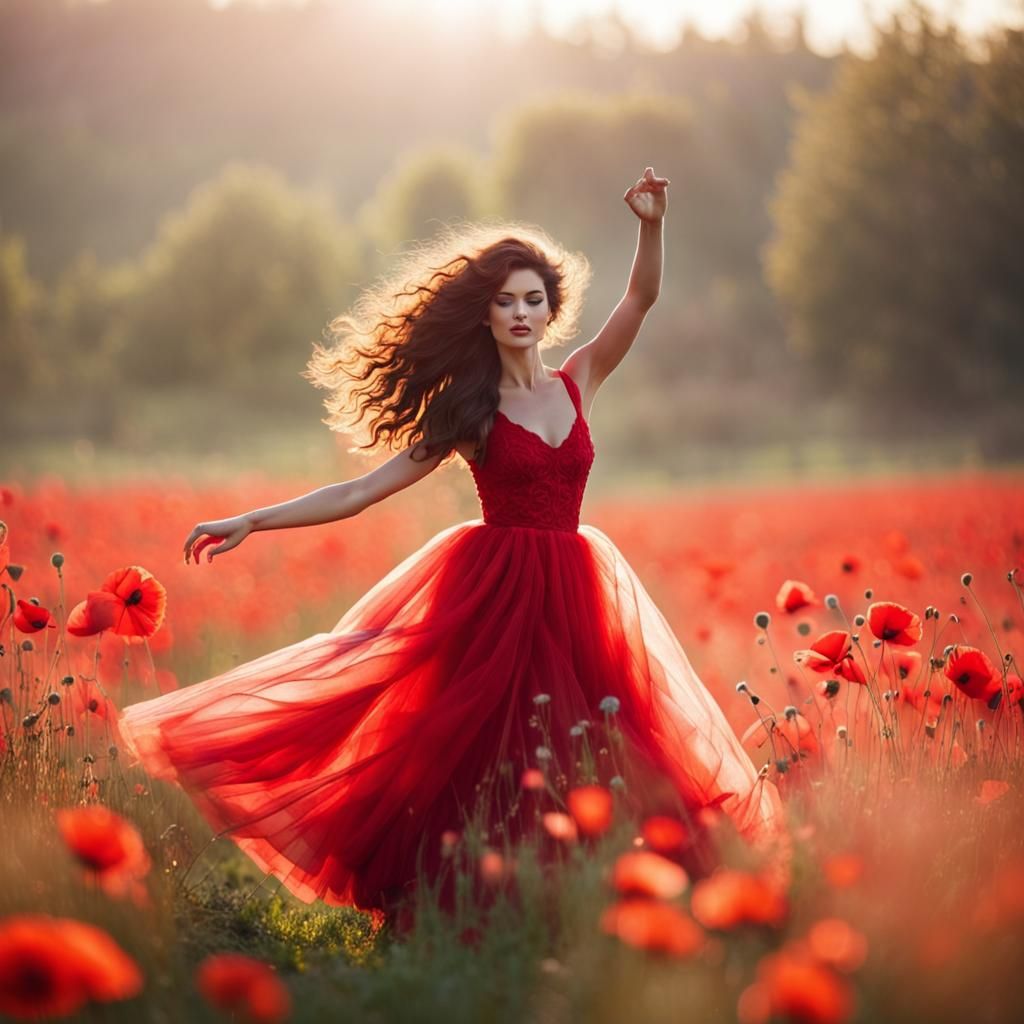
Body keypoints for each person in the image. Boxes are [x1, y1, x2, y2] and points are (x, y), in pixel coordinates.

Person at [117, 167, 786, 919]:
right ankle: (472, 899)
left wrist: (651, 225)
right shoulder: (470, 411)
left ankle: (586, 899)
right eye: (505, 301)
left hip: (576, 589)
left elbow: (641, 298)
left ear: (551, 309)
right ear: (486, 316)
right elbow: (360, 491)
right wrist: (252, 519)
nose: (520, 313)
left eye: (532, 299)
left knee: (595, 740)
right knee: (487, 754)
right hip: (495, 596)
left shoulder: (580, 380)